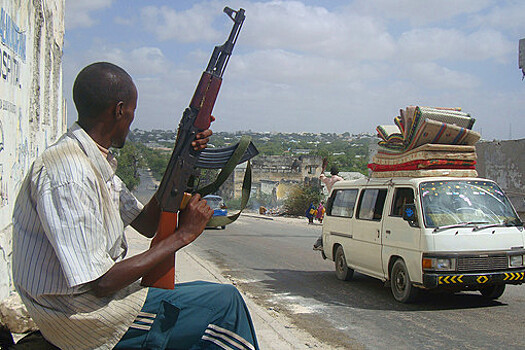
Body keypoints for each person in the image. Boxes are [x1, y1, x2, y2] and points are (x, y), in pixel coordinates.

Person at [12, 62, 259, 350]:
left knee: (210, 298)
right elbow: (101, 282)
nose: (131, 120)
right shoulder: (71, 174)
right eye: (131, 111)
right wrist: (183, 236)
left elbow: (146, 223)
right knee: (224, 306)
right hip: (84, 319)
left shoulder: (90, 161)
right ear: (119, 110)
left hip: (91, 305)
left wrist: (182, 155)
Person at [313, 162, 344, 250]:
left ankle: (319, 243)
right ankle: (322, 243)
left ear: (331, 173)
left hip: (330, 201)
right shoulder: (339, 179)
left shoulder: (328, 180)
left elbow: (321, 176)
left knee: (329, 225)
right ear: (337, 172)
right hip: (338, 202)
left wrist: (323, 168)